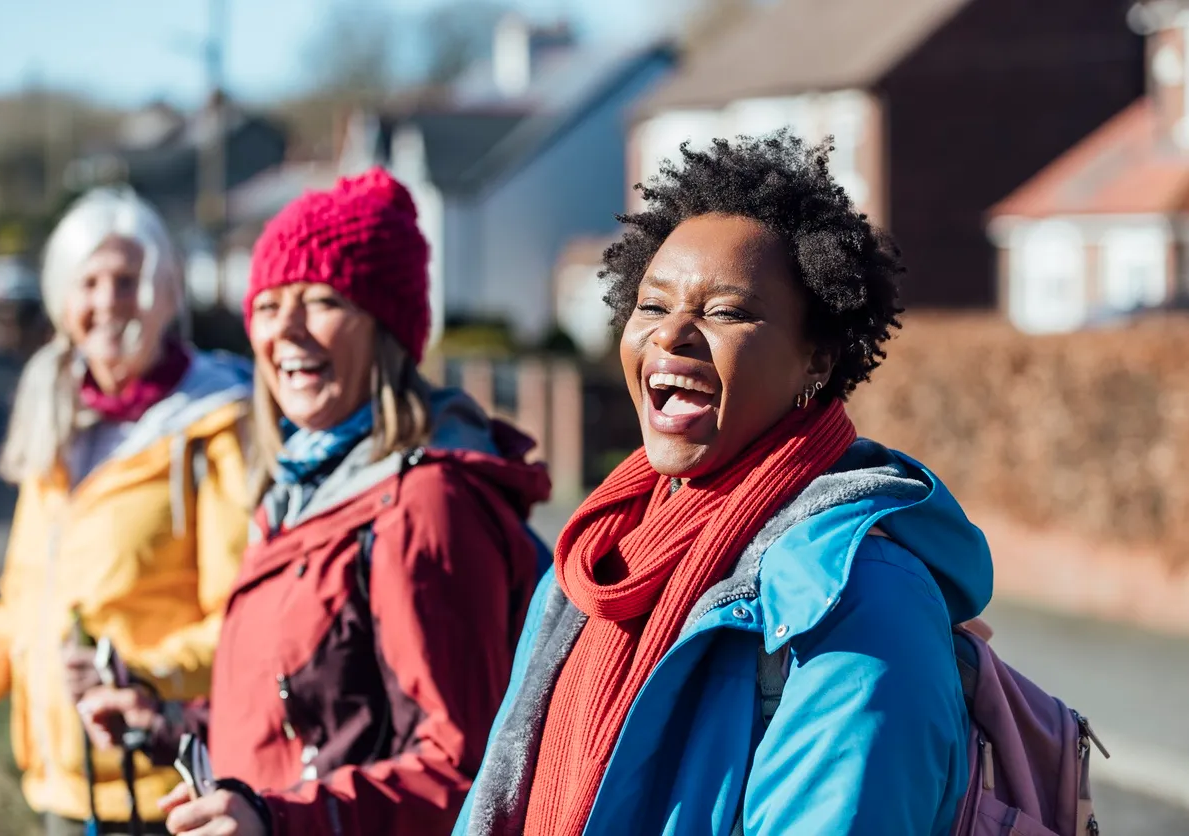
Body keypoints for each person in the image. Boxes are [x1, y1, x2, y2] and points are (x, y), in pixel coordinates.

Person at [453, 131, 994, 836]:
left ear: (817, 361)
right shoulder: (590, 564)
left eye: (727, 312)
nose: (671, 335)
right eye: (651, 306)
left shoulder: (862, 599)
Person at [78, 168, 552, 836]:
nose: (288, 330)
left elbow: (462, 777)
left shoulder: (425, 506)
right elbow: (300, 718)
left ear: (386, 329)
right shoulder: (297, 491)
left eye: (323, 300)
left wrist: (277, 821)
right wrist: (169, 728)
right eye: (269, 306)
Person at [0, 188, 253, 836]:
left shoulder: (213, 428)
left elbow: (239, 621)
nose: (108, 301)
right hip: (62, 786)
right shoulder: (59, 422)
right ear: (64, 302)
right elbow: (26, 595)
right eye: (88, 282)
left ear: (168, 294)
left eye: (128, 280)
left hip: (159, 792)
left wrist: (133, 673)